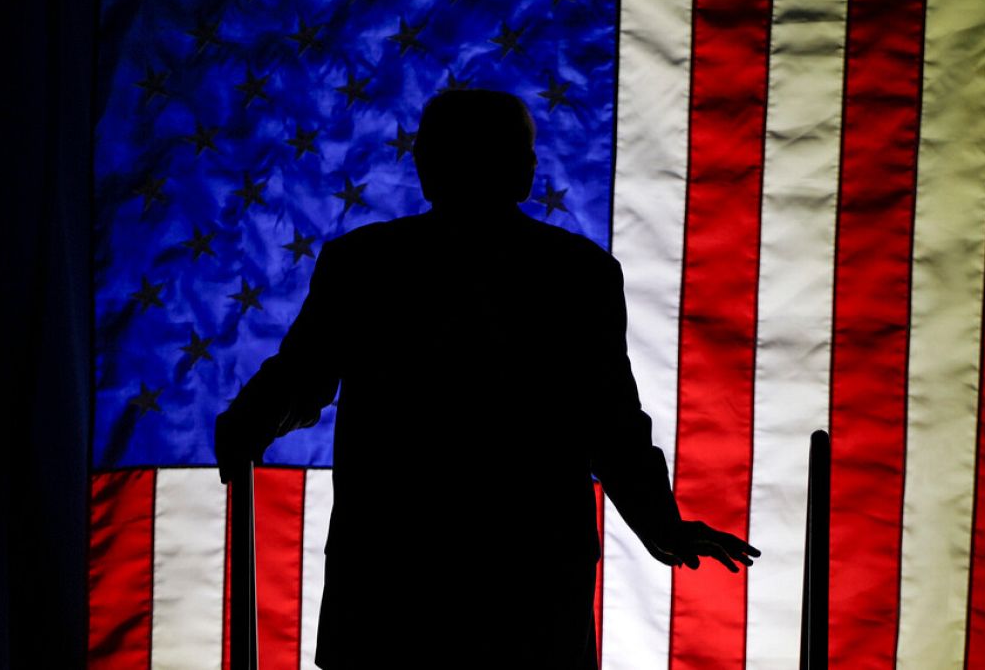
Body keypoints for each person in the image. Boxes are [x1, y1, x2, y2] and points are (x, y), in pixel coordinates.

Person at [215, 89, 759, 669]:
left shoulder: (367, 265)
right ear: (524, 172)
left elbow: (300, 381)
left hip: (398, 584)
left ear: (427, 169)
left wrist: (251, 421)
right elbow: (613, 426)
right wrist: (660, 522)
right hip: (518, 586)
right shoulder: (576, 274)